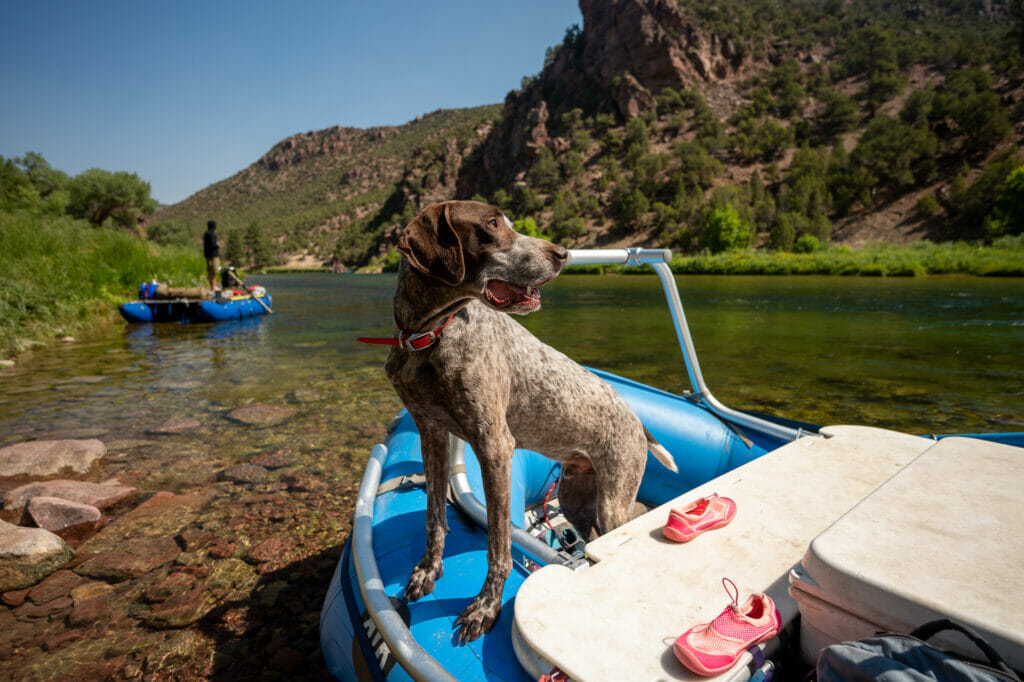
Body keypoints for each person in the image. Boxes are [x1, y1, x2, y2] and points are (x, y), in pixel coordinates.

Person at [203, 220, 221, 291]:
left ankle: (212, 285)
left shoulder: (206, 234)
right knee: (213, 271)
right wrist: (218, 245)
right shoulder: (212, 234)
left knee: (210, 271)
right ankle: (213, 287)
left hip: (207, 255)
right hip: (213, 255)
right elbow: (213, 244)